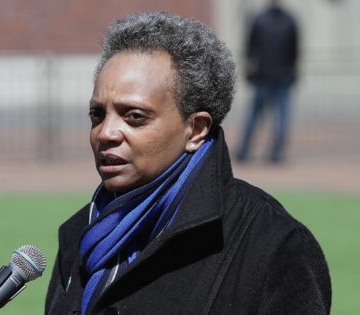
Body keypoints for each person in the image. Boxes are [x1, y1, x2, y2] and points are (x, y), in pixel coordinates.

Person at [45, 12, 331, 315]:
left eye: (134, 117)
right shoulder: (81, 234)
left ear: (195, 129)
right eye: (97, 115)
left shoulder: (272, 243)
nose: (106, 132)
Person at [237, 0, 299, 163]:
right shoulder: (289, 20)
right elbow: (294, 51)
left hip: (263, 75)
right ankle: (276, 153)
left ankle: (244, 150)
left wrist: (249, 68)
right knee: (281, 118)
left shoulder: (260, 19)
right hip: (282, 76)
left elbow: (250, 48)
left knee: (255, 116)